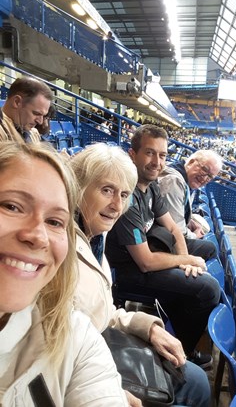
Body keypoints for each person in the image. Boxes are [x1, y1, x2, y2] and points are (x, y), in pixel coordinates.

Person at [70, 143, 211, 407]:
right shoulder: (58, 249)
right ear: (78, 186)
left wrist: (147, 328)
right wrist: (108, 389)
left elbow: (98, 311)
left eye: (124, 195)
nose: (116, 205)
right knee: (194, 384)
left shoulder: (95, 236)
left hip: (101, 341)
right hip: (84, 367)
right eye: (106, 190)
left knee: (195, 379)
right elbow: (59, 346)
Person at [0, 142, 128, 406]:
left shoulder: (75, 335)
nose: (37, 236)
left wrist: (140, 323)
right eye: (11, 206)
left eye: (55, 221)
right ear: (81, 190)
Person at [105, 124, 221, 365]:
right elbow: (145, 262)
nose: (157, 161)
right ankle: (182, 356)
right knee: (207, 289)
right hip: (129, 271)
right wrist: (185, 260)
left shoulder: (151, 186)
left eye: (162, 155)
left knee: (198, 278)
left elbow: (174, 229)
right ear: (132, 154)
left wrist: (185, 262)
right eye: (149, 153)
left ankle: (178, 339)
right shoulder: (128, 197)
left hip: (149, 254)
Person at [158, 149, 222, 245]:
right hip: (159, 242)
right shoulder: (174, 182)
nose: (204, 178)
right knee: (209, 248)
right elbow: (175, 230)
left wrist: (188, 221)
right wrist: (195, 236)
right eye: (204, 170)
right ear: (191, 162)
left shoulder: (187, 181)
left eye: (210, 177)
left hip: (166, 237)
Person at [0, 76, 53, 143]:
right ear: (17, 102)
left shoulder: (33, 133)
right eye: (36, 113)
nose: (40, 121)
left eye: (43, 115)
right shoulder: (1, 131)